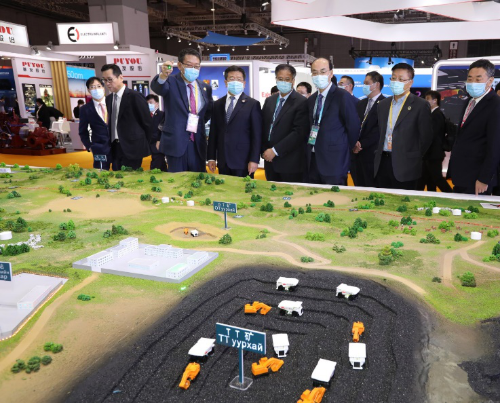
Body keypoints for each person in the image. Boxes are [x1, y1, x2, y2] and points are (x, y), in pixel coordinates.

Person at [151, 48, 213, 173]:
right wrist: (163, 75)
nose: (193, 69)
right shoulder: (170, 82)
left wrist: (197, 124)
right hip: (176, 143)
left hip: (197, 143)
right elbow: (158, 87)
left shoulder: (205, 87)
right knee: (176, 181)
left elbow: (207, 112)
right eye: (189, 65)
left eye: (196, 66)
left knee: (198, 179)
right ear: (180, 65)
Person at [374, 63, 433, 190]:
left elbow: (426, 138)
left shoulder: (420, 105)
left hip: (407, 166)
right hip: (383, 163)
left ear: (410, 83)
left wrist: (412, 155)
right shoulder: (383, 104)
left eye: (401, 79)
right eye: (393, 78)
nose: (396, 82)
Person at [448, 59, 500, 195]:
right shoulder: (470, 101)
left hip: (477, 178)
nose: (472, 83)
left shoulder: (495, 105)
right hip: (462, 174)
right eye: (470, 78)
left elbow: (495, 146)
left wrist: (484, 178)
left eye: (478, 79)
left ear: (490, 81)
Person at [305, 58, 360, 185]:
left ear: (331, 73)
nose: (318, 75)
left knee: (335, 196)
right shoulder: (312, 99)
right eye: (315, 72)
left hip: (335, 161)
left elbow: (353, 126)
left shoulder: (342, 96)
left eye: (323, 71)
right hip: (313, 158)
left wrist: (345, 148)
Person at [207, 66, 262, 178]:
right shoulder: (217, 104)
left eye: (239, 79)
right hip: (223, 160)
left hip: (243, 161)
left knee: (243, 188)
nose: (235, 82)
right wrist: (211, 157)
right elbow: (213, 132)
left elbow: (256, 135)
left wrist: (254, 159)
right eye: (232, 79)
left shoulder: (252, 104)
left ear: (244, 83)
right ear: (226, 82)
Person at [261, 64, 309, 183]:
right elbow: (263, 127)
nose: (284, 82)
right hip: (269, 160)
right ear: (276, 79)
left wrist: (275, 150)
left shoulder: (301, 102)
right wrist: (264, 150)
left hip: (290, 162)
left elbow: (298, 132)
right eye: (280, 79)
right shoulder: (270, 100)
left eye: (287, 79)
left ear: (293, 81)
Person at [102, 64, 151, 171]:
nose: (107, 83)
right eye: (104, 80)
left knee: (130, 178)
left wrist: (149, 145)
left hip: (132, 147)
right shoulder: (109, 99)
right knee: (117, 176)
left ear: (121, 77)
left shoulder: (135, 96)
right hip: (115, 147)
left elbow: (147, 123)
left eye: (110, 79)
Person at [351, 71, 385, 187]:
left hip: (372, 154)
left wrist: (361, 144)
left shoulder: (384, 104)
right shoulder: (360, 103)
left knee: (371, 187)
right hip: (356, 155)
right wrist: (354, 143)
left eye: (367, 83)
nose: (364, 86)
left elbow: (379, 130)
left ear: (377, 84)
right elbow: (354, 124)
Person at [416, 91, 453, 193]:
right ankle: (426, 195)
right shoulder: (433, 114)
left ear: (435, 100)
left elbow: (431, 134)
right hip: (430, 153)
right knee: (427, 178)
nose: (425, 101)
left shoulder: (437, 115)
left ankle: (451, 195)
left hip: (433, 154)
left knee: (437, 178)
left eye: (427, 99)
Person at [78, 77, 112, 170]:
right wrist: (89, 146)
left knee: (121, 173)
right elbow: (82, 131)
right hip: (99, 148)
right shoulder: (85, 109)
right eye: (92, 87)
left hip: (117, 146)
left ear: (103, 88)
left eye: (98, 86)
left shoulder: (113, 103)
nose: (96, 89)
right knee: (101, 174)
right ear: (89, 90)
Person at [146, 94, 167, 172]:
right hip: (149, 144)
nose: (149, 105)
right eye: (147, 103)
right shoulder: (146, 116)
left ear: (157, 104)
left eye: (151, 103)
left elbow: (162, 129)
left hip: (158, 144)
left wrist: (159, 140)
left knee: (155, 166)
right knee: (162, 166)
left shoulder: (162, 114)